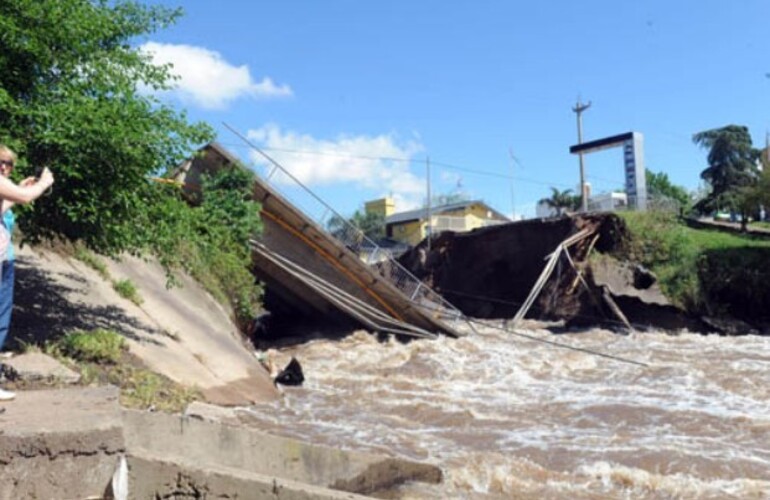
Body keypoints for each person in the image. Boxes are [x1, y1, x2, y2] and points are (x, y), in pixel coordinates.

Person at [0, 145, 54, 401]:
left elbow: (8, 205)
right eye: (1, 161)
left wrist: (19, 187)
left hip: (3, 261)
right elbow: (25, 198)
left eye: (8, 163)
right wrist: (44, 183)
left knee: (1, 320)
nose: (4, 167)